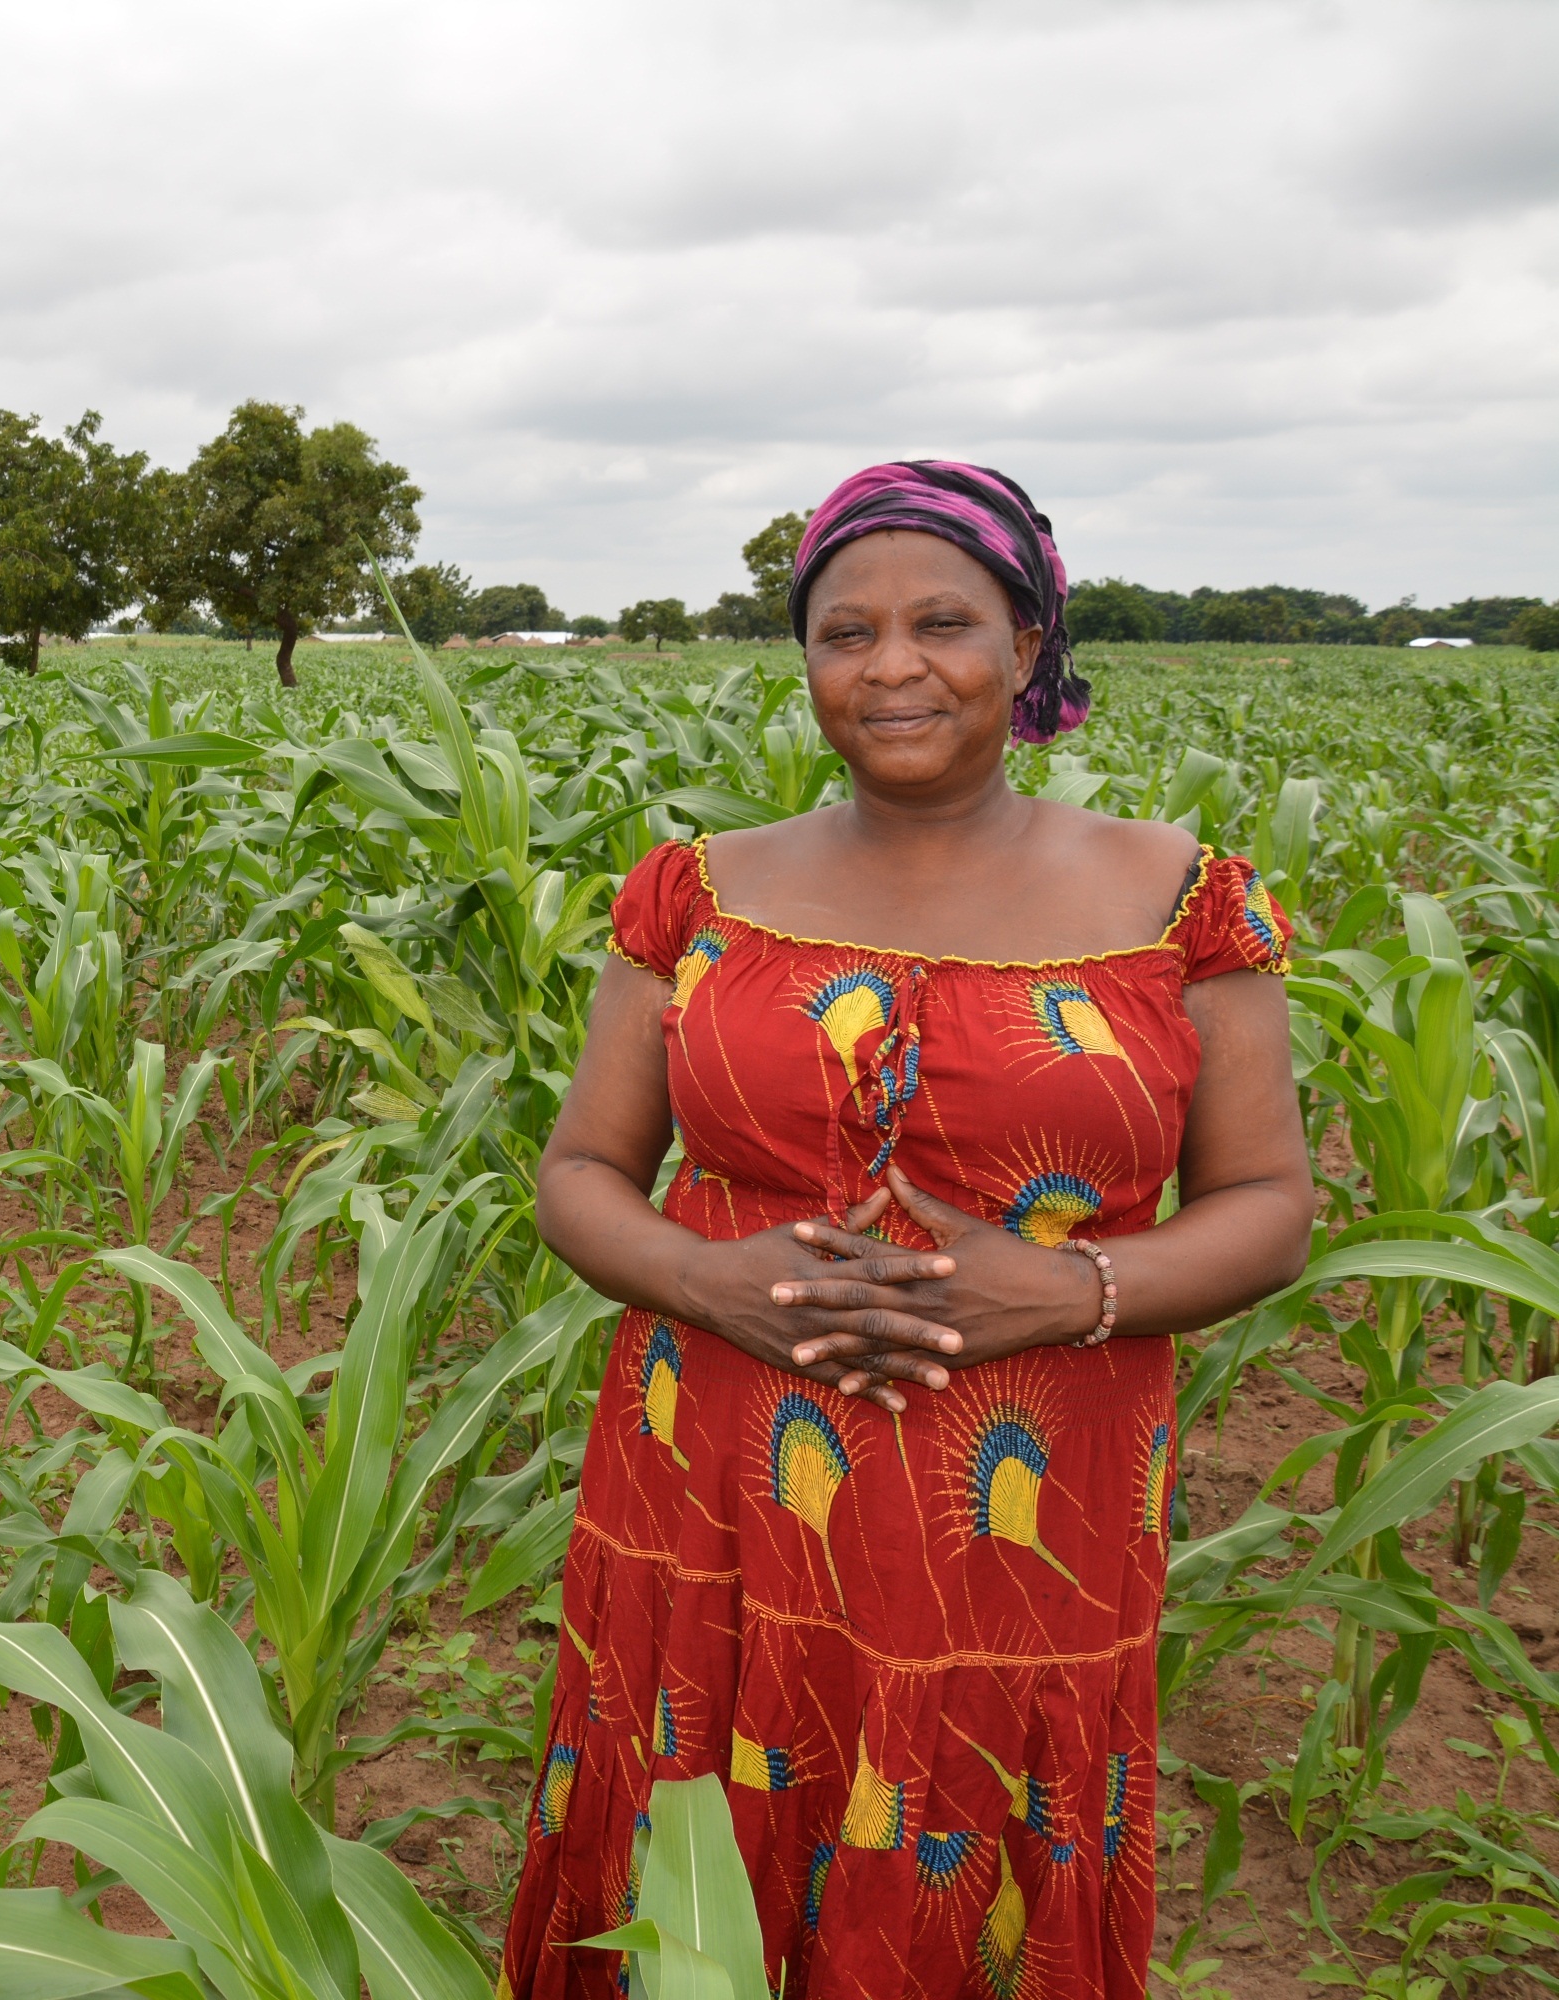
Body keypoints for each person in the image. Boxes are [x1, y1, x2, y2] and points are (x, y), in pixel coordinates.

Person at [498, 462, 1314, 2000]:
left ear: (1028, 641)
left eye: (943, 622)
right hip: (717, 1478)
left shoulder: (1180, 903)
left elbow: (1271, 1209)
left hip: (1026, 1515)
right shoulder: (697, 897)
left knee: (972, 1850)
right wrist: (699, 1276)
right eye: (841, 632)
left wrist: (1062, 1292)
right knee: (697, 1870)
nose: (889, 667)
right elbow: (583, 1169)